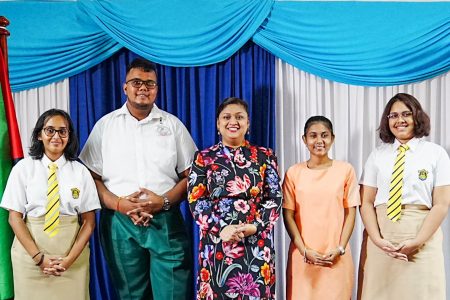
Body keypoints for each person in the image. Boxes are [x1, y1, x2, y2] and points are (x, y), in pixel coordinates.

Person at [79, 57, 197, 299]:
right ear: (125, 87)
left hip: (165, 219)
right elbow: (91, 178)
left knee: (173, 293)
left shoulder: (173, 125)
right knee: (131, 295)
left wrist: (163, 201)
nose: (143, 87)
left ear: (157, 89)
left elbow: (192, 177)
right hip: (119, 222)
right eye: (136, 82)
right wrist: (120, 204)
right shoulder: (106, 126)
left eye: (150, 83)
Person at [187, 97, 282, 300]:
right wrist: (222, 228)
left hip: (256, 242)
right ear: (218, 124)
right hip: (217, 242)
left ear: (247, 124)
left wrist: (255, 226)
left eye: (240, 117)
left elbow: (274, 197)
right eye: (227, 117)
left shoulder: (265, 156)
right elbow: (197, 201)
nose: (233, 121)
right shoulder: (203, 157)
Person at [0, 109, 100, 300]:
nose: (56, 136)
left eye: (63, 131)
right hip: (30, 259)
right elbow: (14, 218)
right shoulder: (23, 169)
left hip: (72, 260)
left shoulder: (80, 171)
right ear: (39, 135)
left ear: (69, 136)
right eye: (50, 130)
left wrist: (69, 260)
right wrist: (39, 258)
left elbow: (89, 222)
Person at [359, 93, 450, 299]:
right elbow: (365, 202)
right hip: (382, 241)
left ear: (417, 117)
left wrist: (417, 242)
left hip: (422, 241)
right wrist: (377, 240)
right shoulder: (377, 155)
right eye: (393, 116)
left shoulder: (436, 154)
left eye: (406, 114)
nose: (400, 120)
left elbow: (442, 204)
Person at [282, 115, 360, 299]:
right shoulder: (293, 173)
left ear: (332, 138)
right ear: (304, 139)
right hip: (303, 256)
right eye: (313, 135)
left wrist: (340, 248)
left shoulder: (345, 170)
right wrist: (304, 250)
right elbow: (288, 216)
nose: (319, 141)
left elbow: (351, 213)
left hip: (336, 256)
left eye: (324, 135)